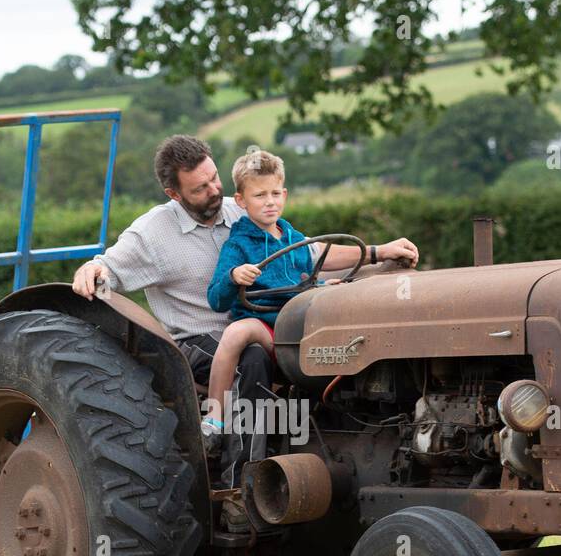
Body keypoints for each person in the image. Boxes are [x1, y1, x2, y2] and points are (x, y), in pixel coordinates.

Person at [71, 135, 419, 489]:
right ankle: (241, 482)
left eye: (214, 179)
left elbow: (306, 254)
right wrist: (93, 270)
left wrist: (377, 253)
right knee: (251, 359)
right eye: (200, 188)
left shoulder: (241, 208)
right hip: (196, 339)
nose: (213, 190)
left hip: (263, 322)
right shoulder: (152, 233)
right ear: (174, 194)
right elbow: (108, 268)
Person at [201, 148, 348, 452]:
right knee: (236, 332)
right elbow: (216, 299)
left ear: (285, 194)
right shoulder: (238, 245)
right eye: (259, 196)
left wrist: (321, 285)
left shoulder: (295, 240)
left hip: (300, 326)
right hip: (266, 328)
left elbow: (302, 282)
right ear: (241, 200)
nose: (269, 202)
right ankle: (214, 416)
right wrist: (233, 277)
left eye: (275, 193)